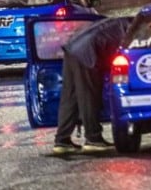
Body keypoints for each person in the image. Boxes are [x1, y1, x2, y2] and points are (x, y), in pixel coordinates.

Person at [51, 16, 134, 154]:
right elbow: (128, 54)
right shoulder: (134, 29)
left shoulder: (122, 22)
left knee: (70, 98)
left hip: (72, 47)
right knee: (88, 96)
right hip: (87, 52)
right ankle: (93, 138)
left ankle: (61, 141)